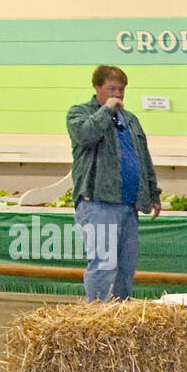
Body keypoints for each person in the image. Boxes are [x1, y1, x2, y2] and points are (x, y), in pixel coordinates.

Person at [66, 65, 161, 302]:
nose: (117, 94)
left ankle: (119, 316)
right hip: (98, 203)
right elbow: (86, 136)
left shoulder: (130, 119)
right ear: (97, 87)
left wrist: (153, 193)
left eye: (121, 89)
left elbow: (143, 157)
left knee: (125, 267)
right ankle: (99, 317)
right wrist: (106, 110)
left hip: (128, 204)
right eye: (111, 89)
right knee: (103, 264)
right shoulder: (80, 113)